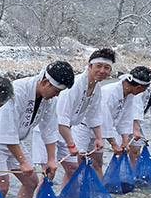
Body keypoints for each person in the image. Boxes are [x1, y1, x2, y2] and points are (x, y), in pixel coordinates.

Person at [0, 61, 75, 198]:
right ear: (44, 82)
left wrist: (51, 159)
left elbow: (49, 130)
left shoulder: (49, 99)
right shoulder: (17, 91)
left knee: (31, 182)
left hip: (16, 142)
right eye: (56, 91)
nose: (57, 95)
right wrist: (23, 162)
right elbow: (7, 132)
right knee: (2, 186)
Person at [34, 49, 114, 188]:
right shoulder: (74, 85)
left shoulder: (97, 88)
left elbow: (93, 116)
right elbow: (61, 120)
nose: (102, 71)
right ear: (89, 66)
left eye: (107, 68)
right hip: (47, 129)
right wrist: (71, 144)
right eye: (98, 66)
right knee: (49, 172)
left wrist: (99, 138)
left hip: (65, 130)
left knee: (73, 169)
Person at [74, 66, 151, 179]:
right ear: (139, 87)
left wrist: (125, 141)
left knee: (98, 162)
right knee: (79, 163)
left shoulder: (129, 94)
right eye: (143, 90)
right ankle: (77, 191)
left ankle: (98, 191)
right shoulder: (110, 93)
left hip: (100, 132)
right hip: (83, 127)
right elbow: (105, 120)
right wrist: (114, 144)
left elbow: (125, 118)